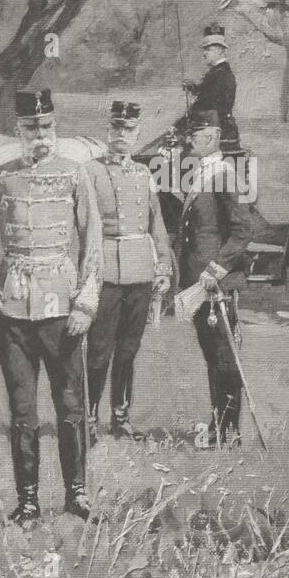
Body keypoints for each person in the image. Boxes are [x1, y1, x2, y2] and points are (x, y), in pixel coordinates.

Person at [0, 89, 101, 523]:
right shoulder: (2, 177)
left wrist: (86, 302)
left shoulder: (76, 175)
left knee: (71, 407)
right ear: (18, 130)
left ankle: (76, 495)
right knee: (23, 411)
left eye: (46, 127)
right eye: (31, 128)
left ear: (54, 128)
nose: (40, 135)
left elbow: (93, 241)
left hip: (63, 314)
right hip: (14, 316)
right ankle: (28, 500)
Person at [85, 101, 173, 442]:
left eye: (129, 130)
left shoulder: (144, 174)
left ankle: (120, 417)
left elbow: (157, 223)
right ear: (109, 131)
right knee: (99, 350)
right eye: (117, 129)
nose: (122, 135)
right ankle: (89, 417)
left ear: (137, 135)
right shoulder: (90, 172)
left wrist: (162, 265)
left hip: (140, 272)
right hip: (105, 271)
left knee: (128, 349)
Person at [175, 109, 253, 446]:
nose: (189, 140)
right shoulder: (206, 172)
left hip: (216, 285)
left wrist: (216, 269)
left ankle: (229, 430)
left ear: (209, 137)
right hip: (200, 285)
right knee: (214, 357)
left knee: (224, 357)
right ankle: (220, 425)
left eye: (194, 135)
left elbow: (242, 231)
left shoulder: (223, 175)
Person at [179, 23, 241, 155]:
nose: (204, 53)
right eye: (204, 49)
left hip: (219, 133)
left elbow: (206, 104)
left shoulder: (221, 74)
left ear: (219, 50)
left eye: (208, 49)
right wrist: (193, 87)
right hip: (215, 128)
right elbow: (208, 94)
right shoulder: (218, 72)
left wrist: (182, 123)